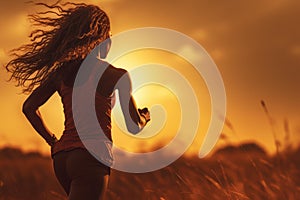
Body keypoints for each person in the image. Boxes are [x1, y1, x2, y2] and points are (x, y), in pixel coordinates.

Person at [5, 2, 150, 200]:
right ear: (102, 39)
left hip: (62, 158)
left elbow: (29, 107)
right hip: (89, 159)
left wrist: (53, 141)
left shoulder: (62, 73)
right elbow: (134, 126)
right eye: (108, 36)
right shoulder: (116, 75)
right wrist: (144, 117)